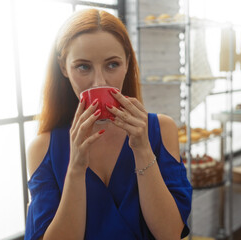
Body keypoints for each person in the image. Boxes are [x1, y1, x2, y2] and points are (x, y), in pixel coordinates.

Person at [25, 8, 192, 240]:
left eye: (112, 65)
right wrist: (75, 169)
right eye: (83, 67)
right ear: (64, 68)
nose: (99, 82)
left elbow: (170, 234)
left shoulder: (161, 130)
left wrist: (142, 149)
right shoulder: (43, 148)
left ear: (127, 64)